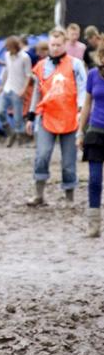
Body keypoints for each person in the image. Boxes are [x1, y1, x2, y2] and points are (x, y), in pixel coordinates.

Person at [26, 27, 86, 207]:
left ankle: (69, 198)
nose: (55, 48)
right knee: (42, 155)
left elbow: (83, 89)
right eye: (52, 45)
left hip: (70, 119)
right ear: (49, 44)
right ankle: (39, 195)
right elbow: (36, 92)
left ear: (65, 44)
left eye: (59, 45)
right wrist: (30, 117)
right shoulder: (42, 65)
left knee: (68, 162)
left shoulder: (75, 64)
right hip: (47, 117)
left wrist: (81, 111)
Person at [78, 42, 104, 237]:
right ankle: (93, 225)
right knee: (94, 180)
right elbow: (87, 104)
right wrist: (80, 131)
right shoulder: (93, 75)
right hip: (95, 131)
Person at [0, 35, 31, 147]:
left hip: (18, 89)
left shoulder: (25, 57)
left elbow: (28, 75)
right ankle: (9, 132)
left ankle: (20, 137)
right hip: (7, 88)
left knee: (18, 117)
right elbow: (6, 71)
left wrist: (24, 90)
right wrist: (1, 86)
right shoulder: (7, 55)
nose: (8, 50)